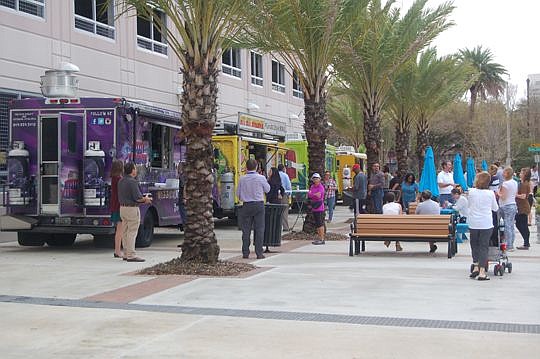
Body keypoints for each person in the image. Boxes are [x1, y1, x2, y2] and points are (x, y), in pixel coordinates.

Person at [467, 172, 499, 281]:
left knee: (474, 245)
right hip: (486, 223)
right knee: (483, 246)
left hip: (473, 222)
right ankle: (482, 271)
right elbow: (495, 208)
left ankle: (475, 266)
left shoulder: (471, 192)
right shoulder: (490, 193)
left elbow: (468, 205)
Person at [118, 162, 152, 262]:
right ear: (132, 171)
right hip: (132, 209)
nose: (136, 170)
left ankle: (125, 253)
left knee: (125, 231)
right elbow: (138, 198)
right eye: (135, 169)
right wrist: (146, 199)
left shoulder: (121, 181)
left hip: (122, 208)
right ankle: (131, 254)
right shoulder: (133, 182)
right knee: (132, 232)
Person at [237, 159, 270, 259]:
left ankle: (245, 252)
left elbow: (238, 194)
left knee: (246, 229)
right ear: (256, 167)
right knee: (259, 229)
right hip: (258, 204)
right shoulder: (261, 178)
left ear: (246, 167)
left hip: (246, 205)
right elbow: (267, 189)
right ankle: (259, 252)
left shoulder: (242, 179)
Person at [497, 167, 518, 251]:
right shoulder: (515, 182)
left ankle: (508, 245)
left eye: (504, 173)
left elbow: (503, 197)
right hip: (513, 204)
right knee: (511, 225)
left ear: (507, 174)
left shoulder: (505, 184)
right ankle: (511, 243)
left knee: (506, 225)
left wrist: (498, 193)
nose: (502, 174)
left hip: (505, 205)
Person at [110, 159, 124, 259]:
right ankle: (117, 250)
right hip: (119, 205)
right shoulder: (119, 179)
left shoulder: (113, 178)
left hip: (114, 204)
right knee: (120, 229)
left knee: (118, 229)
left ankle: (117, 249)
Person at [516, 167, 531, 250]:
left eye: (521, 173)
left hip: (523, 207)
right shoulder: (521, 183)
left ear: (525, 175)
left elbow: (523, 196)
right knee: (519, 224)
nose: (520, 174)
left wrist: (515, 195)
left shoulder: (525, 184)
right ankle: (526, 241)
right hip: (520, 206)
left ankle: (526, 243)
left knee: (523, 225)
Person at [308, 173, 326, 245]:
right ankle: (319, 238)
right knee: (317, 224)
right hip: (314, 207)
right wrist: (314, 195)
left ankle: (322, 239)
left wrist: (313, 195)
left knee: (320, 223)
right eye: (314, 178)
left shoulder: (321, 187)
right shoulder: (312, 186)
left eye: (317, 178)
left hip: (319, 208)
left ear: (319, 179)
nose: (315, 179)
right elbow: (309, 195)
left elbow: (319, 196)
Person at [277, 164, 292, 231]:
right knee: (285, 211)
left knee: (277, 211)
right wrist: (289, 194)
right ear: (283, 169)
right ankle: (285, 227)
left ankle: (277, 227)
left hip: (276, 195)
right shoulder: (285, 175)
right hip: (284, 194)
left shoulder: (275, 175)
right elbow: (288, 186)